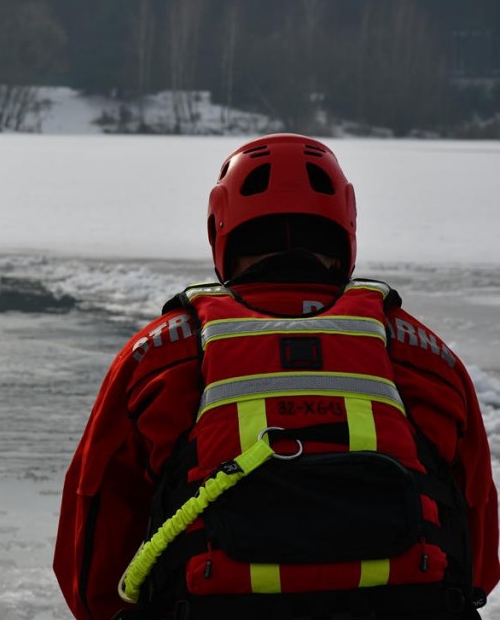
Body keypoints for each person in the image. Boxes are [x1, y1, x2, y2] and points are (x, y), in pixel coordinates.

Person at [54, 134, 499, 620]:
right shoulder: (427, 359)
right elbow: (478, 558)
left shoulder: (159, 358)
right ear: (346, 227)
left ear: (220, 228)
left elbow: (92, 565)